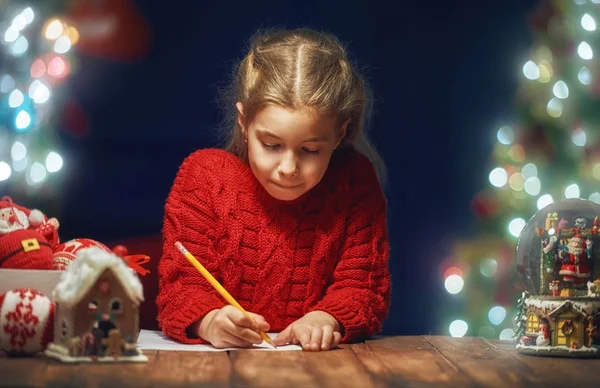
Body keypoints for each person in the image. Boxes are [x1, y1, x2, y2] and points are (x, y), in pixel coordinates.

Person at [156, 28, 391, 351]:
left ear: (340, 134)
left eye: (310, 150)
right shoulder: (204, 178)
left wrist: (325, 318)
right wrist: (210, 321)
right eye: (271, 145)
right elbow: (181, 288)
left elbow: (363, 286)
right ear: (244, 122)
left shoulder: (354, 182)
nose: (288, 168)